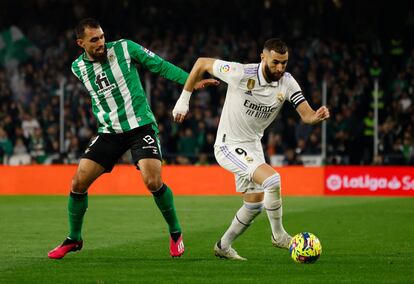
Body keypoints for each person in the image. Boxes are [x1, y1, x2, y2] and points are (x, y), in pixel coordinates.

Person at [48, 18, 218, 259]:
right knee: (78, 183)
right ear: (80, 43)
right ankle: (74, 238)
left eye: (102, 37)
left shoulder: (125, 48)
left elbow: (160, 65)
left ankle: (175, 232)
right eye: (94, 40)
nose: (100, 43)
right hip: (108, 132)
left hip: (140, 128)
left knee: (152, 180)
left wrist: (189, 82)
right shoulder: (78, 68)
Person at [173, 38, 329, 260]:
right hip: (228, 145)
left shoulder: (287, 82)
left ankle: (223, 246)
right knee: (273, 180)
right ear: (263, 57)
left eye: (284, 63)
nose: (280, 68)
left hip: (253, 147)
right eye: (275, 62)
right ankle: (279, 236)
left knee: (254, 204)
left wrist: (317, 116)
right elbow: (201, 63)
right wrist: (183, 101)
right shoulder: (240, 73)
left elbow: (306, 114)